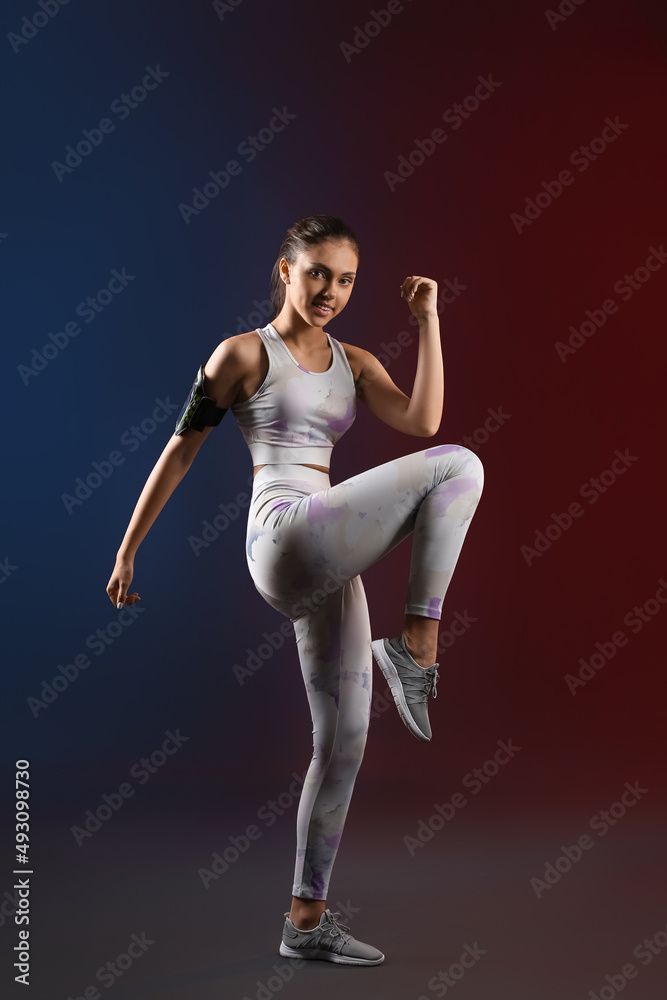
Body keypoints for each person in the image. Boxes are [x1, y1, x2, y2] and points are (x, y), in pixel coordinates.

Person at [106, 214, 484, 966]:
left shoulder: (356, 362)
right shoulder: (242, 354)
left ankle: (304, 921)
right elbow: (179, 452)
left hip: (324, 553)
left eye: (345, 279)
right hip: (281, 532)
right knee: (459, 466)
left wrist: (428, 321)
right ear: (285, 270)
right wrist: (127, 551)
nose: (331, 291)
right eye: (317, 273)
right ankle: (415, 648)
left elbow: (422, 417)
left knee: (344, 740)